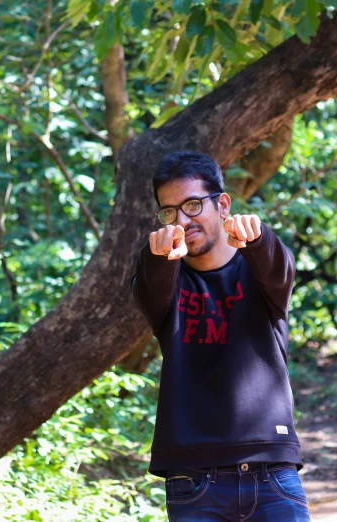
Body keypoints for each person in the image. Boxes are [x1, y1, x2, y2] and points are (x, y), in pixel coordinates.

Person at [130, 150, 310, 521]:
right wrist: (160, 256)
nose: (182, 219)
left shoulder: (259, 267)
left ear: (222, 204)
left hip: (272, 470)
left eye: (193, 205)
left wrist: (258, 239)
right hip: (192, 480)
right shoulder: (166, 279)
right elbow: (149, 286)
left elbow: (281, 269)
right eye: (170, 211)